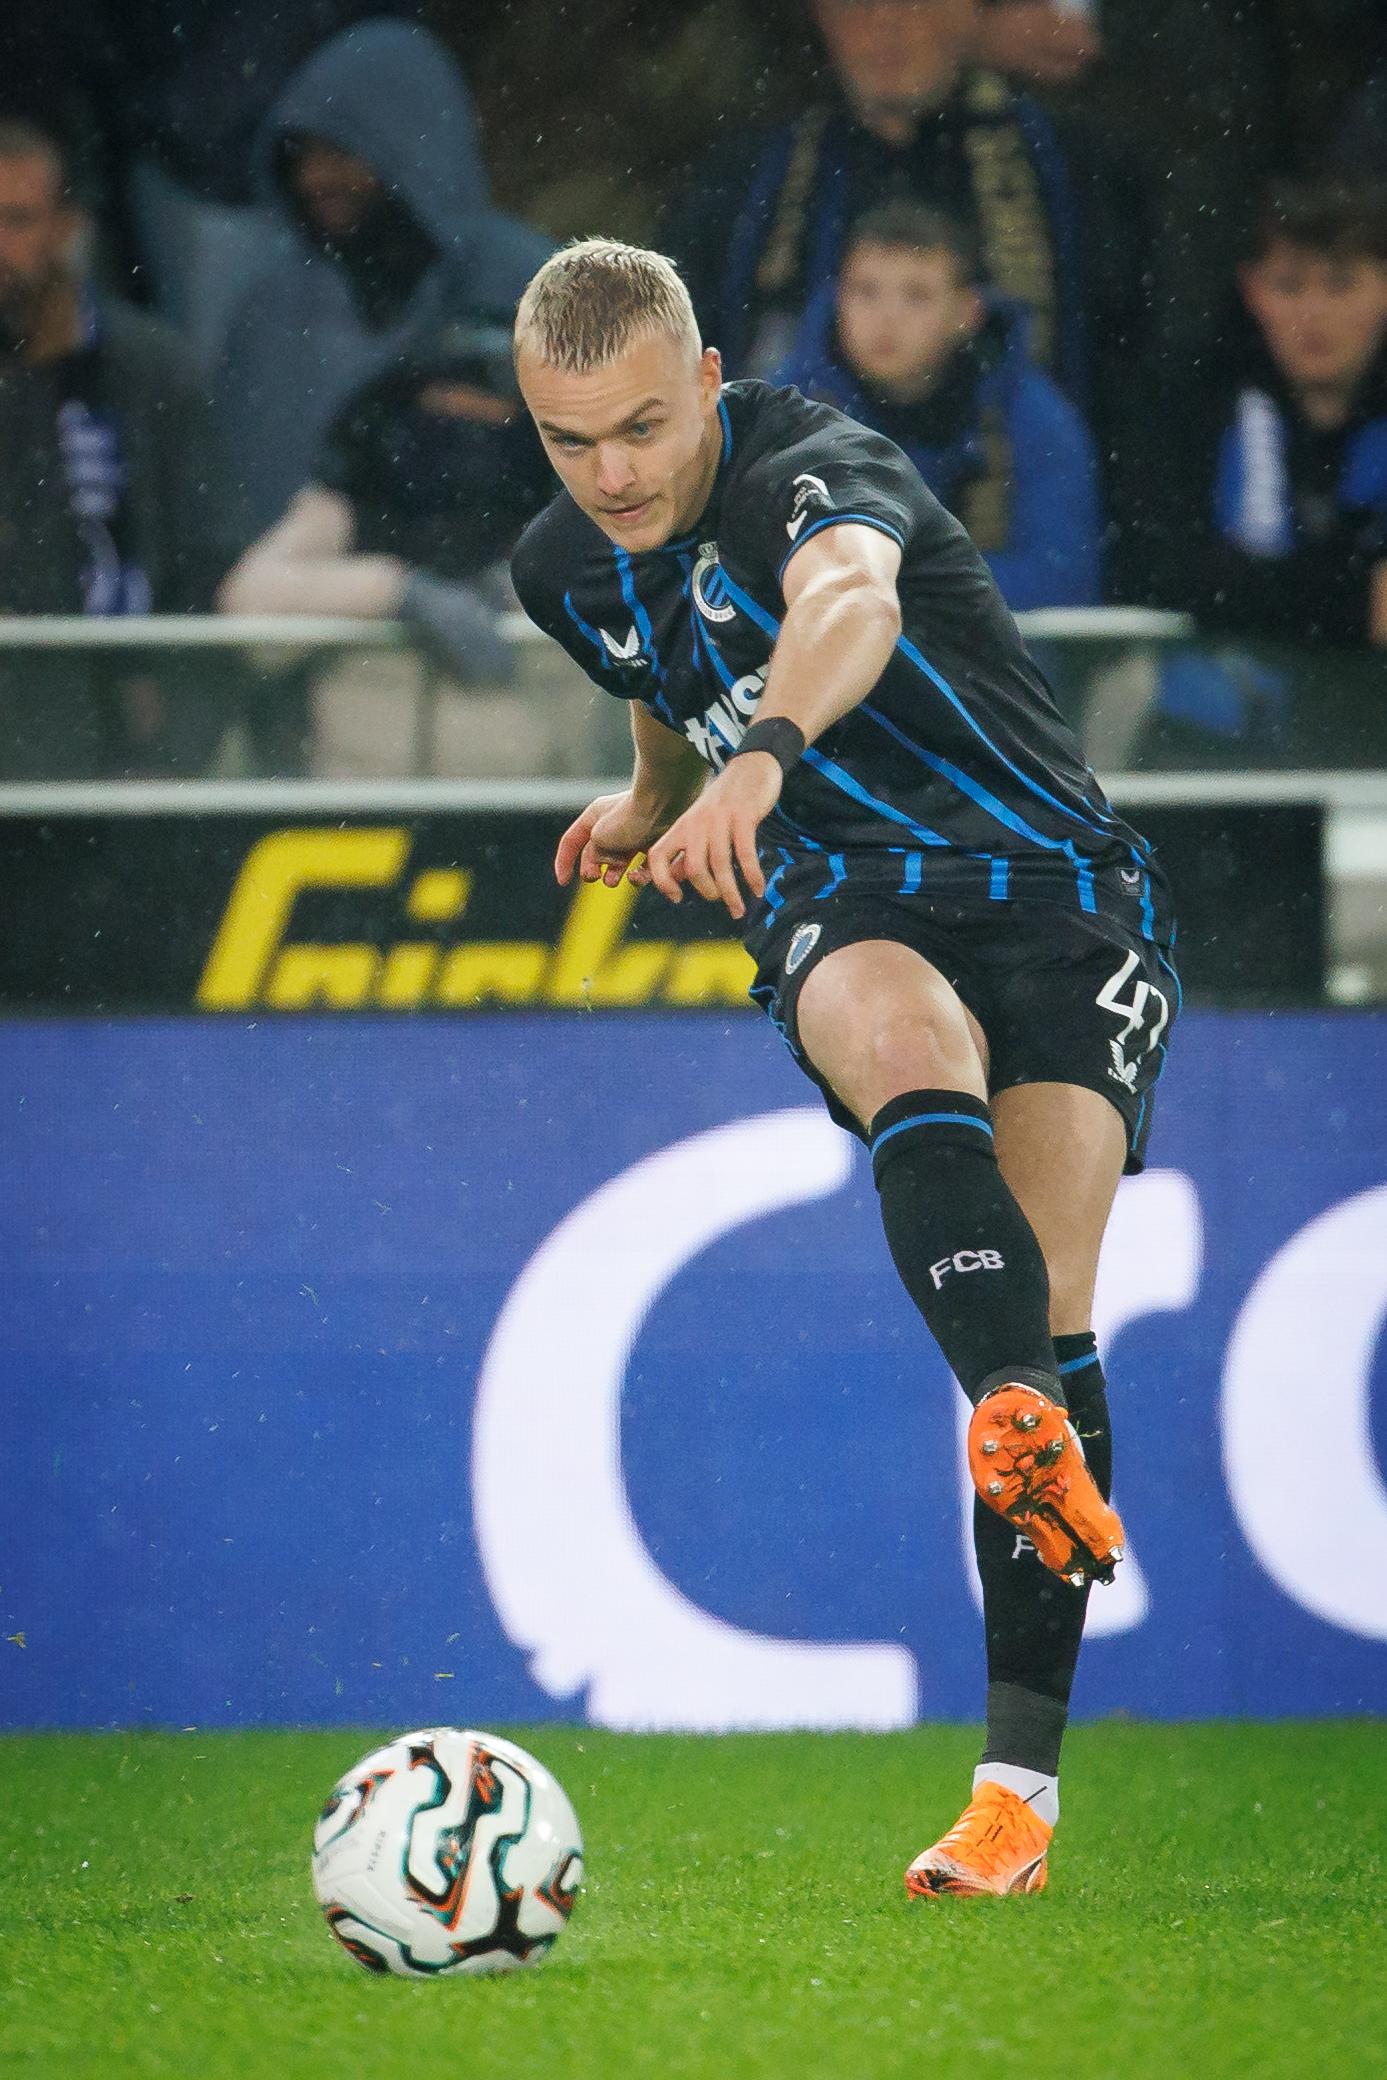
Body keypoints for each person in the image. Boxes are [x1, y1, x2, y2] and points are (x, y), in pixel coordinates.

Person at [509, 239, 1177, 1897]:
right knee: (896, 1036)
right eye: (567, 442)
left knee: (1049, 1288)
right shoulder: (561, 565)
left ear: (712, 379)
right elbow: (660, 669)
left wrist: (765, 760)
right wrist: (662, 796)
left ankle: (1015, 1783)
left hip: (1056, 895)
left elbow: (848, 606)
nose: (611, 476)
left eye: (645, 430)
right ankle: (1013, 1408)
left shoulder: (815, 463)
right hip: (845, 895)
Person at [658, 0, 1147, 438]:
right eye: (858, 3)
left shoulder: (1078, 178)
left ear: (973, 12)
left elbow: (1139, 404)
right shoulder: (746, 185)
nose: (886, 21)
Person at [211, 18, 550, 549]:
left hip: (508, 598)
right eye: (302, 155)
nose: (315, 178)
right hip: (307, 608)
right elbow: (243, 506)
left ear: (412, 149)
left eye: (341, 153)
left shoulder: (524, 282)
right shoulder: (274, 305)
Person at [0, 118, 227, 777]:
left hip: (124, 757)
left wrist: (179, 724)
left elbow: (204, 560)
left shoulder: (151, 372)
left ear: (68, 228)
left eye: (16, 220)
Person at [1130, 181, 1387, 763]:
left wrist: (1268, 592)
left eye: (1342, 284)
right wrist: (1352, 605)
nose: (1314, 313)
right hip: (1214, 749)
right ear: (1252, 291)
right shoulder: (1193, 408)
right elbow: (1169, 573)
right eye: (1289, 285)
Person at [774, 198, 1101, 608]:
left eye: (917, 295)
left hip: (982, 661)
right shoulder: (786, 409)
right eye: (866, 291)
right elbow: (746, 561)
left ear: (967, 312)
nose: (886, 316)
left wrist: (890, 585)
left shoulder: (1033, 418)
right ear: (837, 297)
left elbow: (1062, 580)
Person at [219, 306, 552, 689]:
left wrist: (521, 590)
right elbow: (247, 607)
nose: (471, 424)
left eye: (500, 411)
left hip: (513, 742)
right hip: (364, 738)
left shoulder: (548, 506)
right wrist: (399, 593)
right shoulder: (350, 503)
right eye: (448, 401)